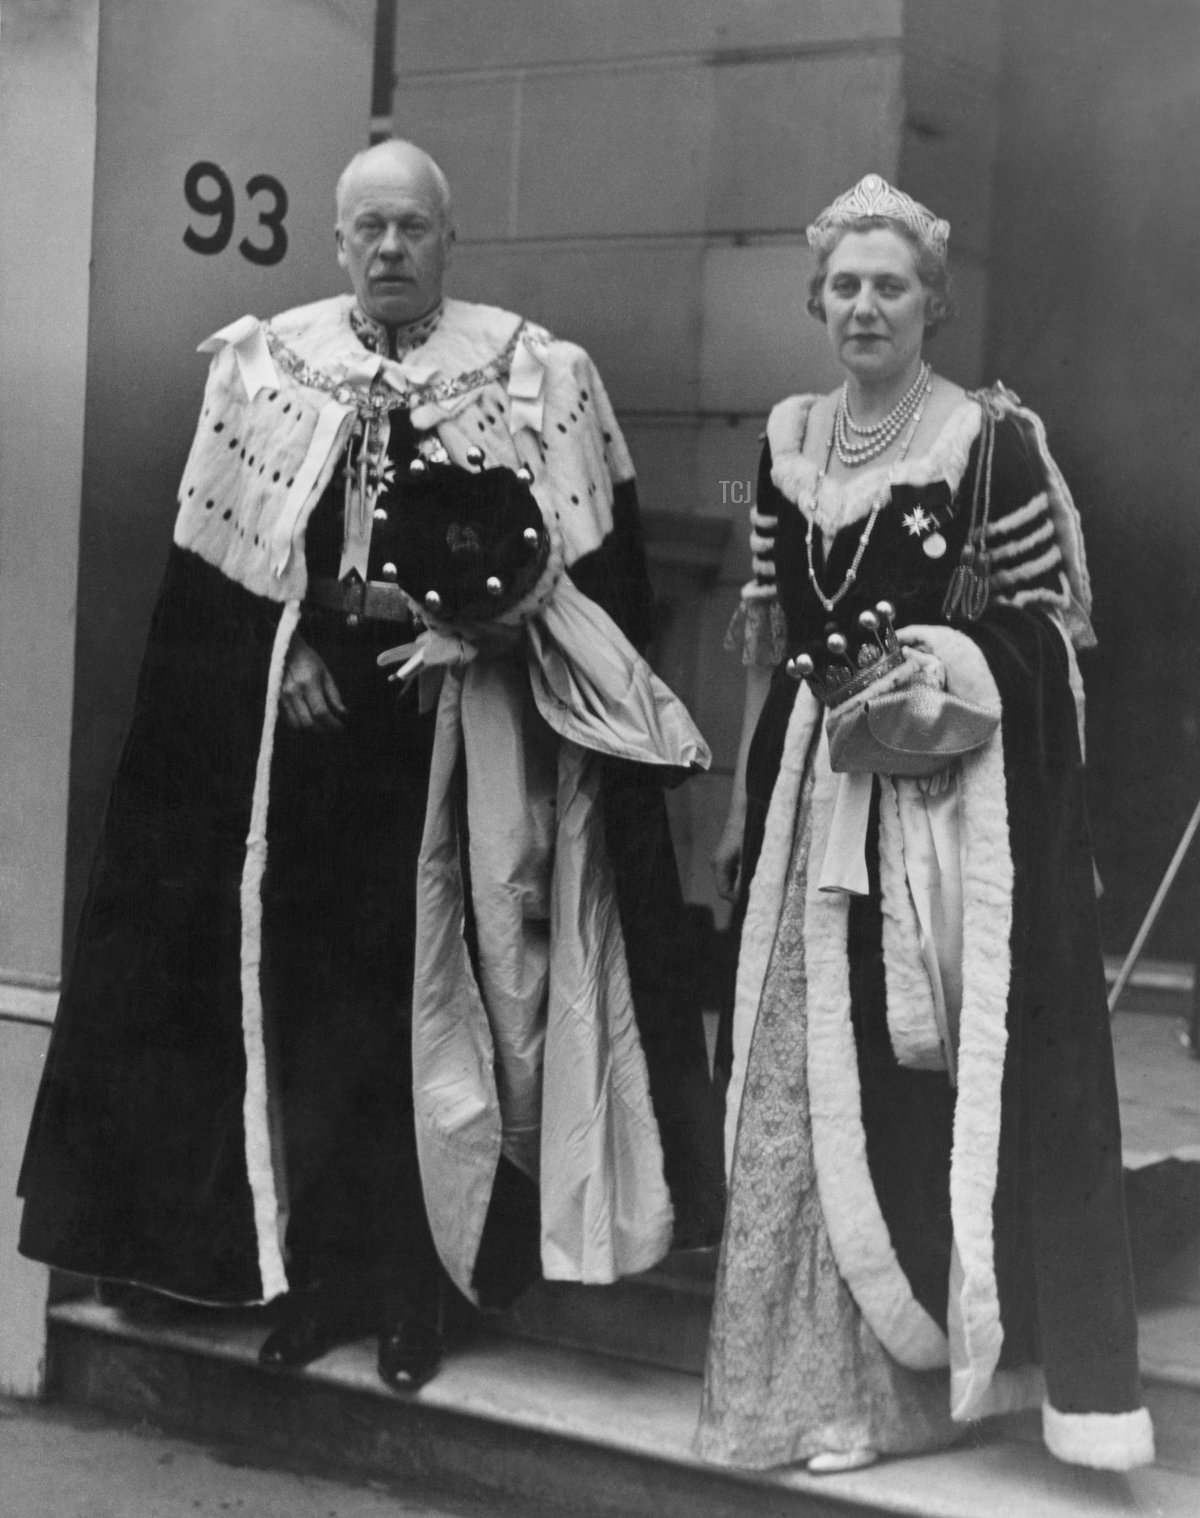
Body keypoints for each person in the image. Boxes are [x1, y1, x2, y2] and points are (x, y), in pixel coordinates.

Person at [18, 139, 723, 1394]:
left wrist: (487, 636)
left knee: (447, 1008)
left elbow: (595, 590)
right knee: (320, 1002)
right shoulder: (267, 369)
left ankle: (423, 1288)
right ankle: (326, 1276)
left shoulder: (530, 370)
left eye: (413, 227)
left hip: (465, 730)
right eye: (369, 230)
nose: (391, 249)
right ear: (339, 243)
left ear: (449, 240)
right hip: (317, 737)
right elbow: (215, 597)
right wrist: (276, 659)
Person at [696, 174, 1154, 1473]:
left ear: (934, 304)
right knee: (792, 1077)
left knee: (906, 1083)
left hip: (939, 821)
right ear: (816, 300)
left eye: (890, 283)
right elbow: (771, 636)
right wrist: (745, 800)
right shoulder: (787, 439)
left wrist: (940, 659)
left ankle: (903, 1391)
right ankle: (805, 1378)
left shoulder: (988, 441)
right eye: (843, 283)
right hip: (807, 799)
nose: (863, 305)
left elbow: (1049, 641)